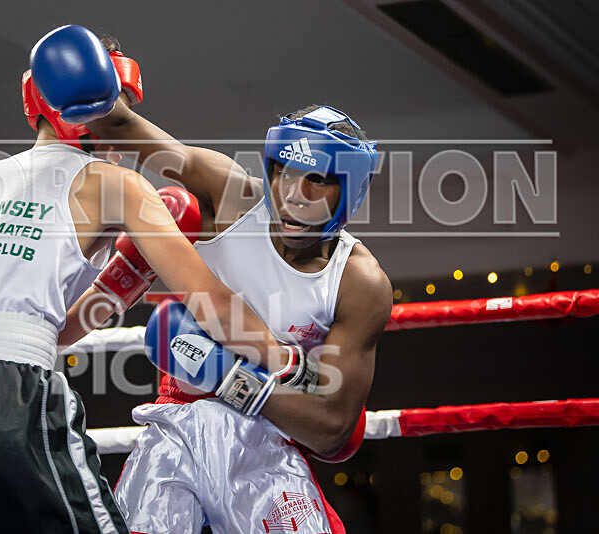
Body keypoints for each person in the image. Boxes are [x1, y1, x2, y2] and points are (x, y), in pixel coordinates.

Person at [0, 25, 298, 534]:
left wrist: (117, 285)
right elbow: (210, 300)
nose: (121, 135)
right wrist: (287, 362)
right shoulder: (117, 186)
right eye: (117, 115)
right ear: (91, 111)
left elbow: (34, 325)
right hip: (11, 399)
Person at [74, 45, 395, 533]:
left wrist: (227, 377)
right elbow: (121, 128)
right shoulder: (230, 195)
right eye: (285, 173)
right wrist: (85, 83)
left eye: (317, 182)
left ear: (348, 191)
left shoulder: (358, 282)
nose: (294, 194)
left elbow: (333, 430)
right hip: (177, 427)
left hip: (265, 444)